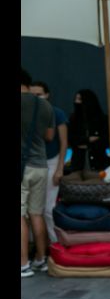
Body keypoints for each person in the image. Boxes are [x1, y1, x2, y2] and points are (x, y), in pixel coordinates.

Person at [21, 68, 55, 278]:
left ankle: (23, 264)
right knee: (36, 213)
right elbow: (49, 136)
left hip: (21, 167)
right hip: (41, 165)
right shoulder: (45, 105)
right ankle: (40, 259)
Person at [30, 81, 68, 245]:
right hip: (32, 163)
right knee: (31, 209)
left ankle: (55, 244)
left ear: (47, 95)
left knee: (48, 208)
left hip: (51, 162)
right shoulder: (27, 113)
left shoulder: (56, 113)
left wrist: (60, 168)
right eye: (32, 95)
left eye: (39, 94)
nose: (35, 98)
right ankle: (35, 245)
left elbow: (64, 142)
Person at [67, 89, 110, 173]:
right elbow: (71, 139)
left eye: (79, 99)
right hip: (78, 162)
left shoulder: (101, 119)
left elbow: (106, 140)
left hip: (98, 162)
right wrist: (88, 139)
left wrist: (86, 144)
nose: (76, 102)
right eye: (76, 99)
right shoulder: (73, 119)